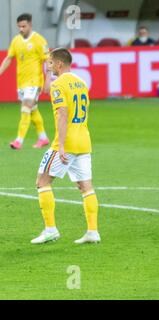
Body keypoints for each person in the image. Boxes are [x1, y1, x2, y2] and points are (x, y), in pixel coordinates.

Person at [31, 48, 100, 245]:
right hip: (84, 141)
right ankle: (93, 231)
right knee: (85, 186)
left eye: (51, 63)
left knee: (42, 182)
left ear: (59, 64)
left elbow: (62, 113)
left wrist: (60, 146)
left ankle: (50, 229)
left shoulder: (58, 84)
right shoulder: (81, 82)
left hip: (67, 143)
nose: (49, 66)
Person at [0, 13, 50, 150]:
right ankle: (43, 137)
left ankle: (18, 141)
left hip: (35, 82)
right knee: (33, 111)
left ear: (30, 25)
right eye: (19, 27)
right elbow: (9, 58)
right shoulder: (16, 41)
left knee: (26, 108)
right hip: (21, 82)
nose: (21, 29)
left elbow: (48, 61)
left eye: (24, 26)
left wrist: (47, 81)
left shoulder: (39, 40)